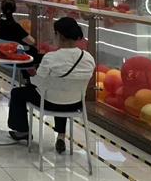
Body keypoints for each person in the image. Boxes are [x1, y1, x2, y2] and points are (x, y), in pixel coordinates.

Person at [7, 16, 95, 153]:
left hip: (49, 103)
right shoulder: (88, 58)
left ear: (59, 35)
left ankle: (22, 130)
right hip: (76, 103)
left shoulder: (51, 57)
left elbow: (38, 82)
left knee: (18, 93)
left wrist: (32, 74)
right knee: (63, 91)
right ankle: (61, 136)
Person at [0, 0, 41, 69]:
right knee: (35, 52)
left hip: (0, 54)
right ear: (14, 9)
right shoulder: (15, 26)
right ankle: (32, 74)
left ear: (1, 8)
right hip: (15, 58)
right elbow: (32, 41)